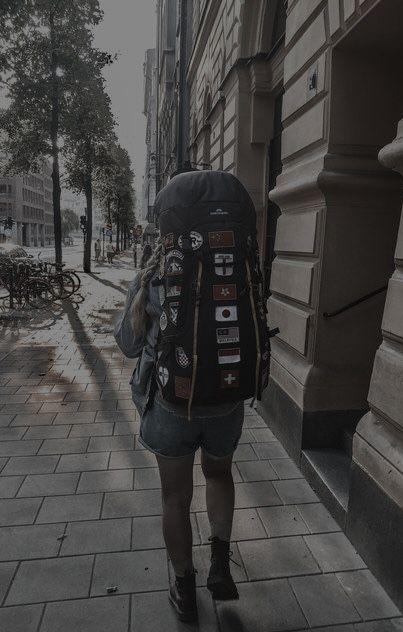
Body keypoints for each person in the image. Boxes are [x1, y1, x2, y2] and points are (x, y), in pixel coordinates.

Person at [114, 171, 250, 623]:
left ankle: (185, 589)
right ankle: (221, 565)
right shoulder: (242, 261)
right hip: (227, 401)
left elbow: (129, 344)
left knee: (175, 497)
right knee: (219, 475)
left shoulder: (158, 270)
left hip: (172, 401)